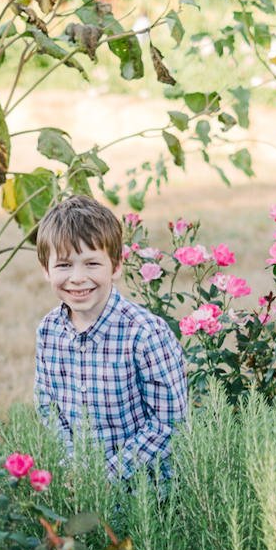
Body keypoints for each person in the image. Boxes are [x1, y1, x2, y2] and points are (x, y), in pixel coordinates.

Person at [33, 194, 188, 481]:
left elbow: (168, 424)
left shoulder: (144, 334)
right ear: (46, 269)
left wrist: (107, 476)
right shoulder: (48, 331)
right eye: (64, 265)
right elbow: (47, 407)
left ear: (116, 266)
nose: (78, 278)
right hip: (78, 482)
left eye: (92, 264)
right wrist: (73, 467)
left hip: (145, 493)